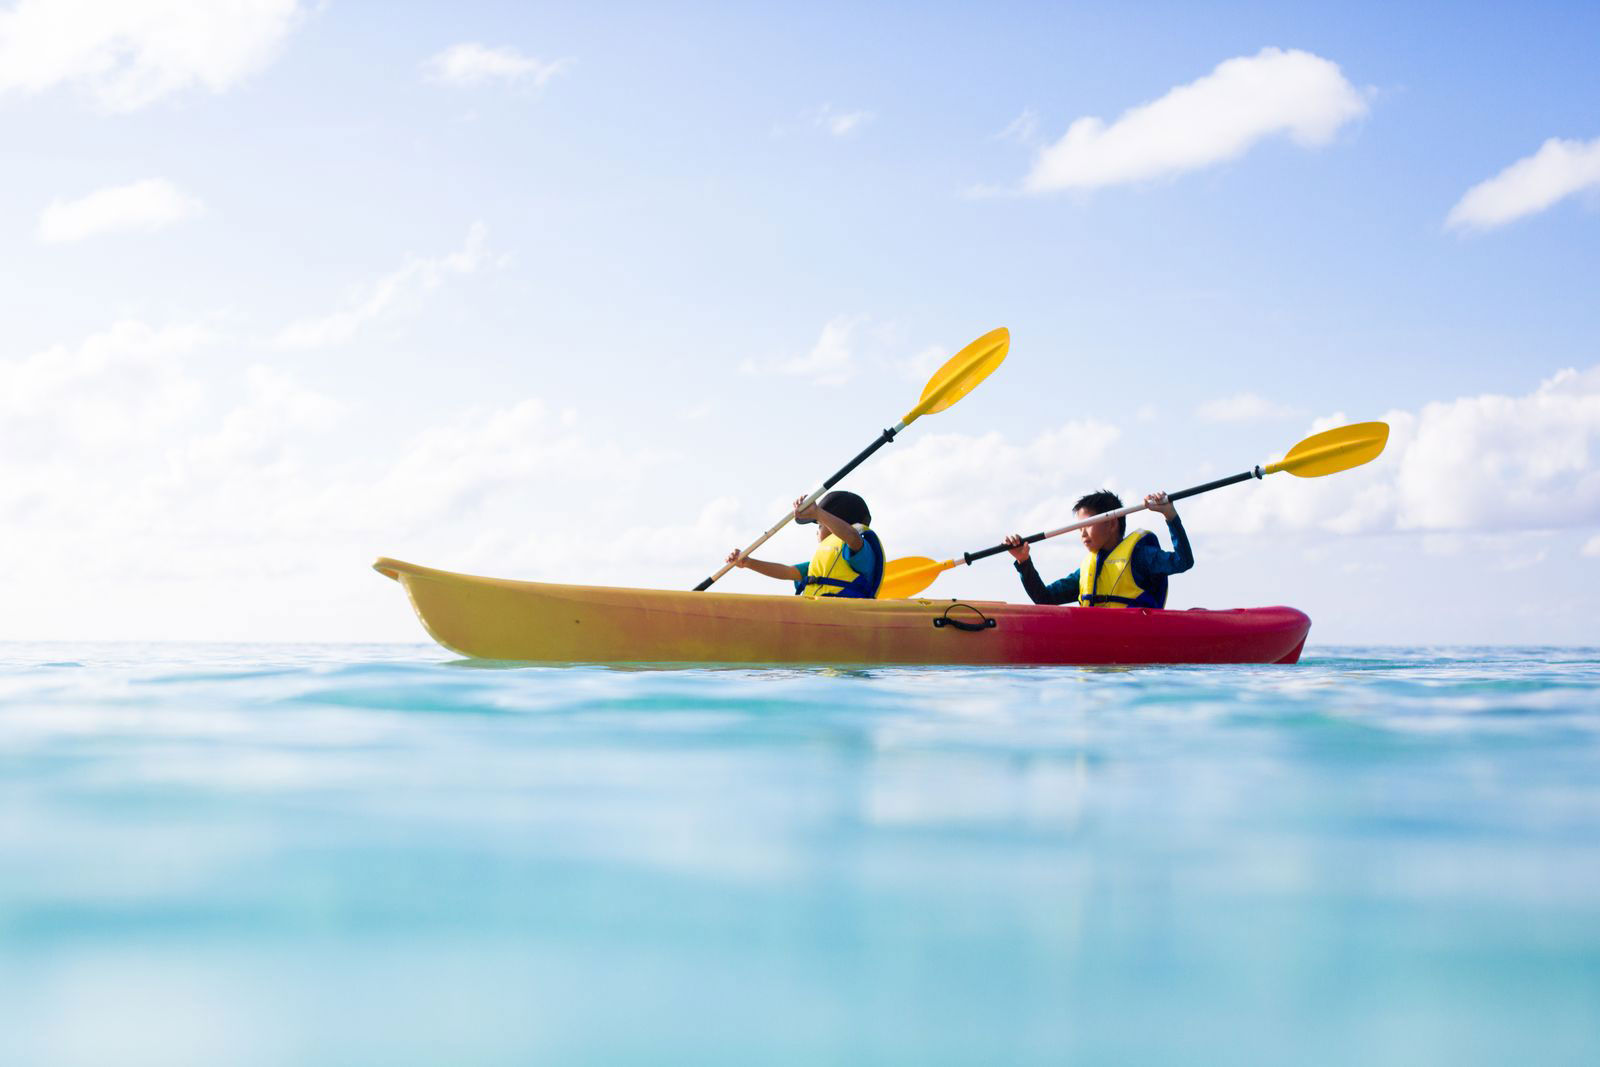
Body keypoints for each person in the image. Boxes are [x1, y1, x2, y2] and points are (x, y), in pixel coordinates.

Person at [1003, 489, 1193, 608]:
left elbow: (1183, 561)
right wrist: (1024, 561)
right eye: (1079, 528)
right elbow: (1044, 599)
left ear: (1111, 524)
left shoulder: (1141, 556)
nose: (1082, 534)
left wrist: (1170, 515)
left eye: (1088, 525)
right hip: (1098, 658)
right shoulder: (1088, 570)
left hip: (1134, 655)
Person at [725, 490, 884, 598]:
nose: (817, 532)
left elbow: (851, 536)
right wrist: (749, 563)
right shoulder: (818, 566)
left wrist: (819, 513)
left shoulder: (859, 549)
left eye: (820, 525)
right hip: (819, 614)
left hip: (844, 614)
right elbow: (786, 572)